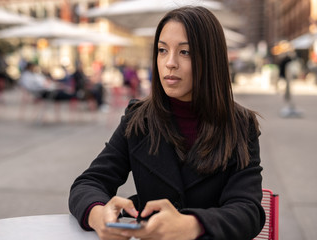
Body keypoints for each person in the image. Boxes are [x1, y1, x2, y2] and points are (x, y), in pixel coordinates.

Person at [69, 6, 265, 240]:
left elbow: (248, 210)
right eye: (162, 50)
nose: (169, 63)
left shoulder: (241, 125)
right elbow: (89, 182)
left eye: (185, 52)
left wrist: (193, 225)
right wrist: (98, 214)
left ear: (211, 59)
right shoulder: (139, 118)